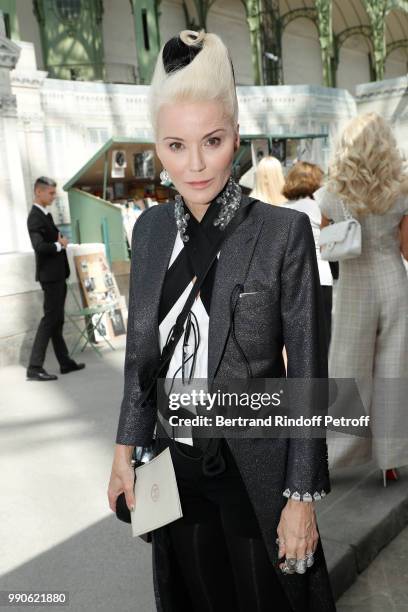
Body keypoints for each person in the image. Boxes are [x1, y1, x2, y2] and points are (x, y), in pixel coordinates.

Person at [108, 30, 335, 612]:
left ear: (236, 134)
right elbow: (141, 356)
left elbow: (307, 373)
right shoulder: (150, 232)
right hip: (170, 462)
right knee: (191, 596)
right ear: (157, 148)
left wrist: (301, 497)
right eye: (176, 146)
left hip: (252, 465)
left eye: (211, 140)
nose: (197, 164)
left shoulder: (283, 235)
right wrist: (123, 452)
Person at [315, 113, 408, 486]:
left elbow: (326, 245)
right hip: (393, 284)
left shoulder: (331, 192)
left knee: (348, 372)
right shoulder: (401, 190)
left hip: (353, 287)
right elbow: (406, 249)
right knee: (394, 373)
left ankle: (335, 456)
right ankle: (391, 459)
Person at [26, 176, 85, 381]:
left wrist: (60, 242)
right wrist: (60, 245)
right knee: (49, 320)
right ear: (39, 192)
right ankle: (34, 367)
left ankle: (65, 362)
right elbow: (39, 247)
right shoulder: (35, 217)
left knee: (57, 320)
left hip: (57, 275)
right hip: (50, 277)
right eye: (50, 193)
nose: (53, 197)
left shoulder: (45, 215)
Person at [282, 161, 333, 344]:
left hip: (293, 280)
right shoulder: (322, 206)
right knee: (325, 338)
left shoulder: (282, 209)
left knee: (300, 340)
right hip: (323, 275)